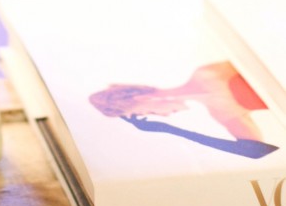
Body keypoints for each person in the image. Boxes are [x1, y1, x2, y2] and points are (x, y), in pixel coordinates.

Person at [89, 61, 278, 159]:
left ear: (141, 98)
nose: (163, 116)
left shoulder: (207, 74)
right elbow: (257, 151)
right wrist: (171, 130)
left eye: (148, 113)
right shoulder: (220, 112)